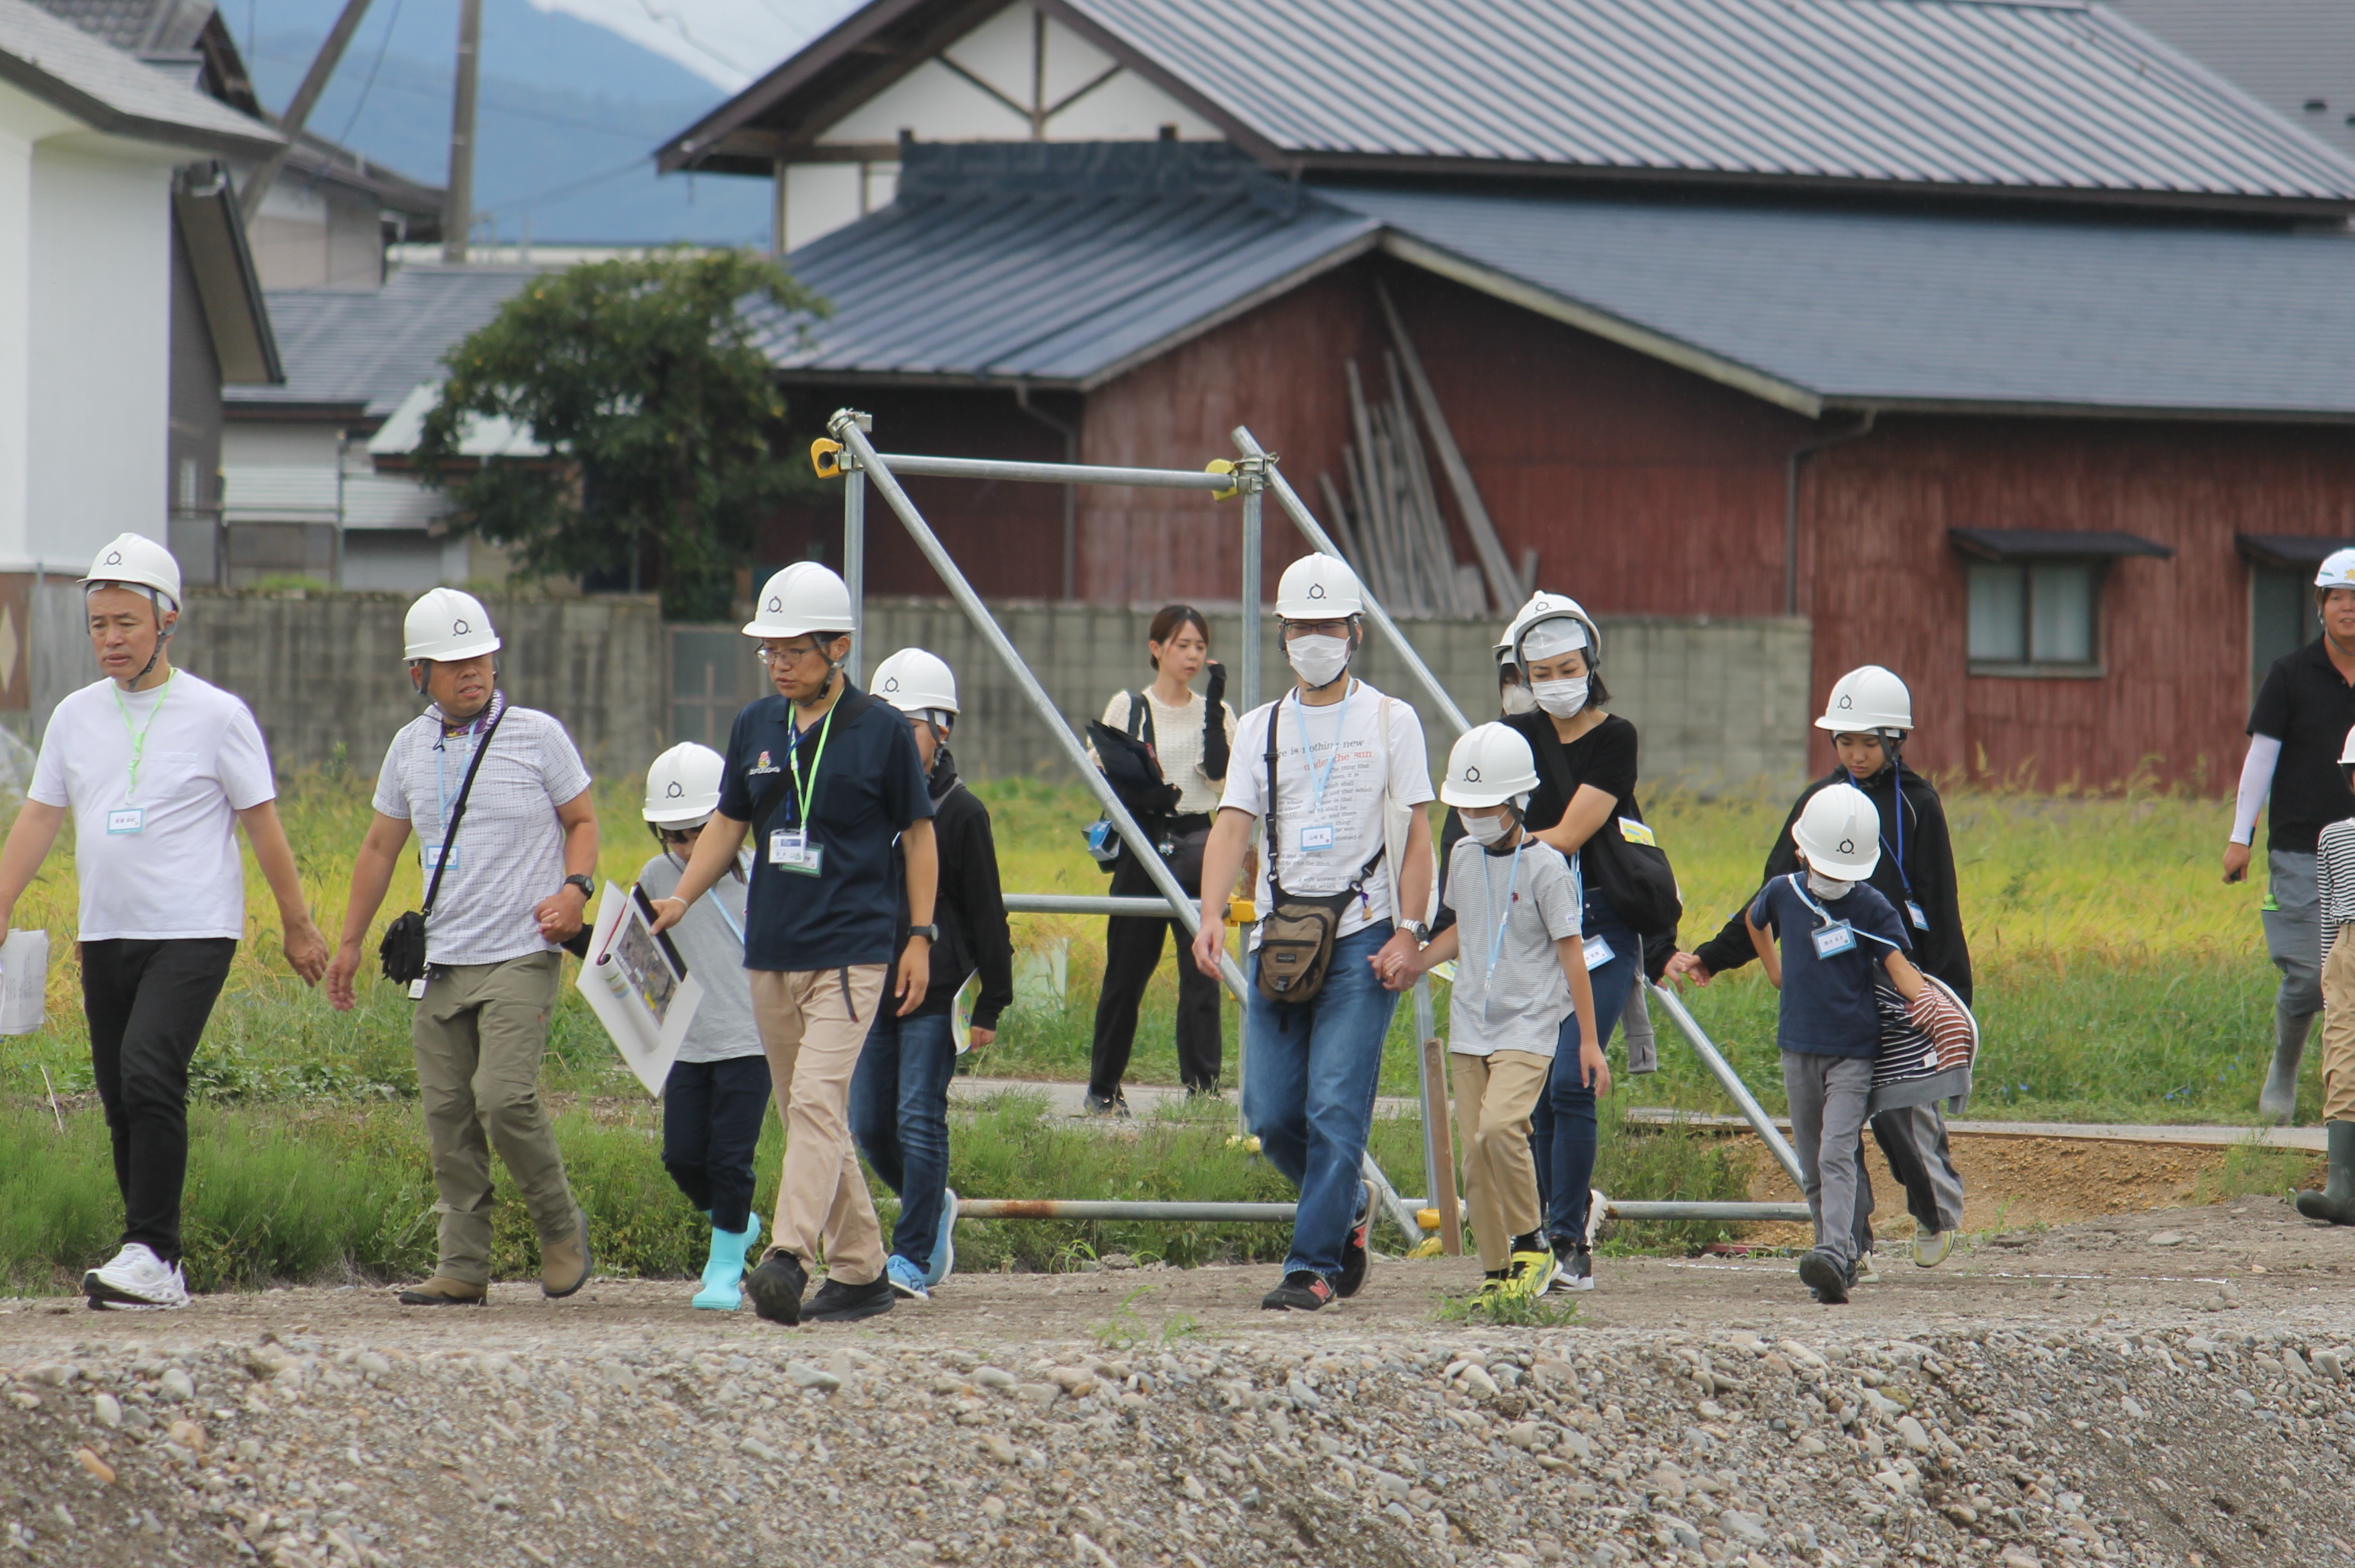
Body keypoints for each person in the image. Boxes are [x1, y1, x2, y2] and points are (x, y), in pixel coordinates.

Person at [0, 533, 327, 1309]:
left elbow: (264, 826)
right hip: (104, 931)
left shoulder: (218, 716)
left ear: (167, 621)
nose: (110, 639)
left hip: (193, 929)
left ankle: (153, 1248)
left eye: (125, 623)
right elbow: (40, 819)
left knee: (151, 1068)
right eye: (97, 625)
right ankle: (151, 1258)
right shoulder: (75, 718)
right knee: (119, 1092)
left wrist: (299, 924)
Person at [647, 563, 938, 1328]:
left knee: (814, 1100)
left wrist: (919, 936)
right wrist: (683, 894)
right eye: (767, 648)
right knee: (808, 1114)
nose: (778, 661)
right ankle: (863, 1269)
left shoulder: (880, 732)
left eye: (793, 648)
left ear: (837, 646)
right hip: (770, 952)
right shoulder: (754, 726)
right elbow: (727, 825)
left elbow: (920, 837)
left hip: (852, 952)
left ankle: (786, 1256)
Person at [327, 588, 600, 1307]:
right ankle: (463, 1265)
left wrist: (576, 891)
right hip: (442, 962)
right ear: (420, 674)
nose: (471, 671)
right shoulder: (408, 748)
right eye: (452, 663)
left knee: (503, 1099)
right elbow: (381, 846)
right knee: (448, 1114)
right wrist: (349, 945)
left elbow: (582, 820)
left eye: (479, 656)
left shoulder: (538, 735)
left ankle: (560, 1229)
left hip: (520, 951)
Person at [1191, 554, 1435, 1312]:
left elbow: (1419, 835)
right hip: (1280, 938)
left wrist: (1412, 930)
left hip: (1364, 937)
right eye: (1300, 626)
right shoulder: (1262, 727)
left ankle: (1313, 1266)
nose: (1314, 638)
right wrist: (1208, 914)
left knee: (1335, 1107)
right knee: (1269, 1114)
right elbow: (1232, 827)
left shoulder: (1392, 719)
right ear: (1283, 634)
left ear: (1354, 633)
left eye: (1328, 625)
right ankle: (1347, 1205)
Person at [1668, 665, 1970, 1267]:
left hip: (1898, 985)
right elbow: (1770, 895)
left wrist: (1949, 997)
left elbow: (1940, 905)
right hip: (1831, 993)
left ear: (1894, 741)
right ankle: (1848, 1245)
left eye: (1867, 743)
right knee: (1832, 1138)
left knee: (1902, 1119)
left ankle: (1934, 1211)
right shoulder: (1818, 805)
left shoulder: (1917, 807)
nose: (1855, 755)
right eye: (1844, 741)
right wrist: (1714, 955)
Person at [1397, 724, 1605, 1299]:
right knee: (1474, 1159)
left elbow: (1572, 955)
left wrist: (1588, 1040)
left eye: (1484, 804)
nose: (1472, 815)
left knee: (1500, 1128)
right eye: (1463, 805)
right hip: (1470, 1024)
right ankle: (1495, 1273)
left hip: (1530, 1024)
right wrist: (1416, 960)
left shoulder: (1547, 869)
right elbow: (1467, 929)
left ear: (1517, 802)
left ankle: (1533, 1245)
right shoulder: (1463, 855)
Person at [1496, 591, 1652, 1292]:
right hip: (1534, 926)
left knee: (1571, 1077)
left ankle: (1569, 1244)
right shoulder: (1513, 738)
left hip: (1600, 924)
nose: (1558, 681)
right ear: (1523, 678)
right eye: (1543, 672)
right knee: (1537, 1094)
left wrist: (1504, 843)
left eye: (1569, 667)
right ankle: (1552, 1233)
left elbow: (1566, 834)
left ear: (1591, 663)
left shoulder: (1616, 738)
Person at [851, 647, 1014, 1301]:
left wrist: (990, 1006)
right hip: (869, 986)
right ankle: (931, 1203)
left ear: (940, 730)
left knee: (920, 1116)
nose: (891, 745)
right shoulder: (863, 809)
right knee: (868, 1123)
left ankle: (912, 1253)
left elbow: (987, 914)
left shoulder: (961, 813)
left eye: (906, 729)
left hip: (936, 992)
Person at [1744, 786, 1926, 1304]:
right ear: (1799, 851)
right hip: (1797, 1048)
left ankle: (1837, 1251)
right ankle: (1832, 1262)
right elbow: (1755, 924)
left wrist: (1935, 1012)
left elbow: (1900, 970)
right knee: (1811, 1159)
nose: (1831, 879)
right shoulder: (1782, 892)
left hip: (1853, 1052)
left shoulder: (1872, 907)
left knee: (1836, 1151)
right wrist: (1776, 973)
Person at [1085, 606, 1239, 1111]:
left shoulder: (1218, 711)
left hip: (1200, 842)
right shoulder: (1128, 707)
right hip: (1141, 841)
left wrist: (1215, 705)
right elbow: (1099, 772)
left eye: (1199, 645)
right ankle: (1103, 1089)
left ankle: (1203, 1090)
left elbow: (1222, 778)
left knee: (1203, 975)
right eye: (1181, 645)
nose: (1192, 655)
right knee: (1125, 973)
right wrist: (1141, 792)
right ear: (1157, 650)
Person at [637, 743, 769, 1310]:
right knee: (682, 1159)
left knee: (729, 1161)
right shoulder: (655, 874)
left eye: (694, 831)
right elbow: (636, 951)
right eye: (671, 834)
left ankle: (723, 1272)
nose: (684, 847)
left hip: (750, 1041)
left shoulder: (764, 872)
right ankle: (739, 1225)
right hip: (689, 1045)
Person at [2228, 547, 2355, 1124]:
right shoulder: (2290, 674)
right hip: (2302, 845)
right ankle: (2284, 1070)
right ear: (2321, 607)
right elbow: (2261, 760)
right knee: (2311, 972)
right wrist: (2240, 836)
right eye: (2338, 599)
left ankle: (2341, 1100)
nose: (2349, 610)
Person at [2300, 722, 2355, 1225]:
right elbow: (2328, 911)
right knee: (2342, 1054)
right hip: (2348, 949)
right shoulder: (2334, 837)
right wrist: (2325, 974)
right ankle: (2341, 1186)